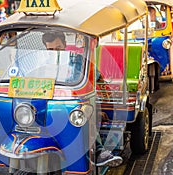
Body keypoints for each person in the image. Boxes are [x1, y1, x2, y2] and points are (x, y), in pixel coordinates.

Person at [42, 31, 123, 167]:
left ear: (65, 45)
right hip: (50, 102)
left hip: (74, 103)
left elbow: (98, 80)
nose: (56, 53)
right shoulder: (43, 64)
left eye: (58, 48)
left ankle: (98, 150)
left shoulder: (79, 60)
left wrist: (102, 100)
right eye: (51, 50)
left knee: (85, 111)